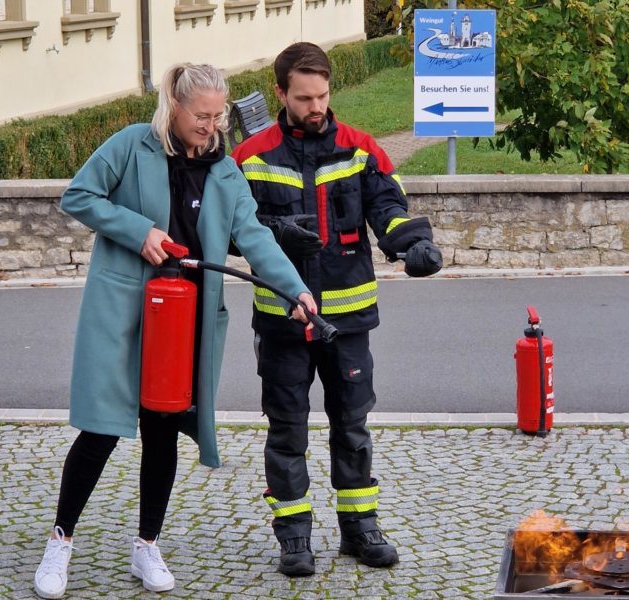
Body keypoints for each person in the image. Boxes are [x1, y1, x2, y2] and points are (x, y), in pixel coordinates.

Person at [33, 62, 317, 598]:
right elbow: (80, 196)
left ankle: (146, 545)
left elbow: (254, 239)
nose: (211, 126)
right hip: (125, 312)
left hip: (185, 321)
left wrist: (295, 291)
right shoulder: (131, 146)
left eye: (218, 116)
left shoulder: (225, 171)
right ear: (175, 105)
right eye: (201, 115)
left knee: (161, 431)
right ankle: (60, 541)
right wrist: (139, 230)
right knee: (99, 431)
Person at [231, 42, 443, 577]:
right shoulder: (251, 156)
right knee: (288, 431)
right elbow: (232, 227)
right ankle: (295, 539)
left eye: (323, 95)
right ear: (280, 93)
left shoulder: (361, 149)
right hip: (284, 321)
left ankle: (360, 529)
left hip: (348, 321)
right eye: (304, 98)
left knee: (352, 426)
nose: (316, 106)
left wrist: (410, 243)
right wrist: (275, 232)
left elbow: (388, 207)